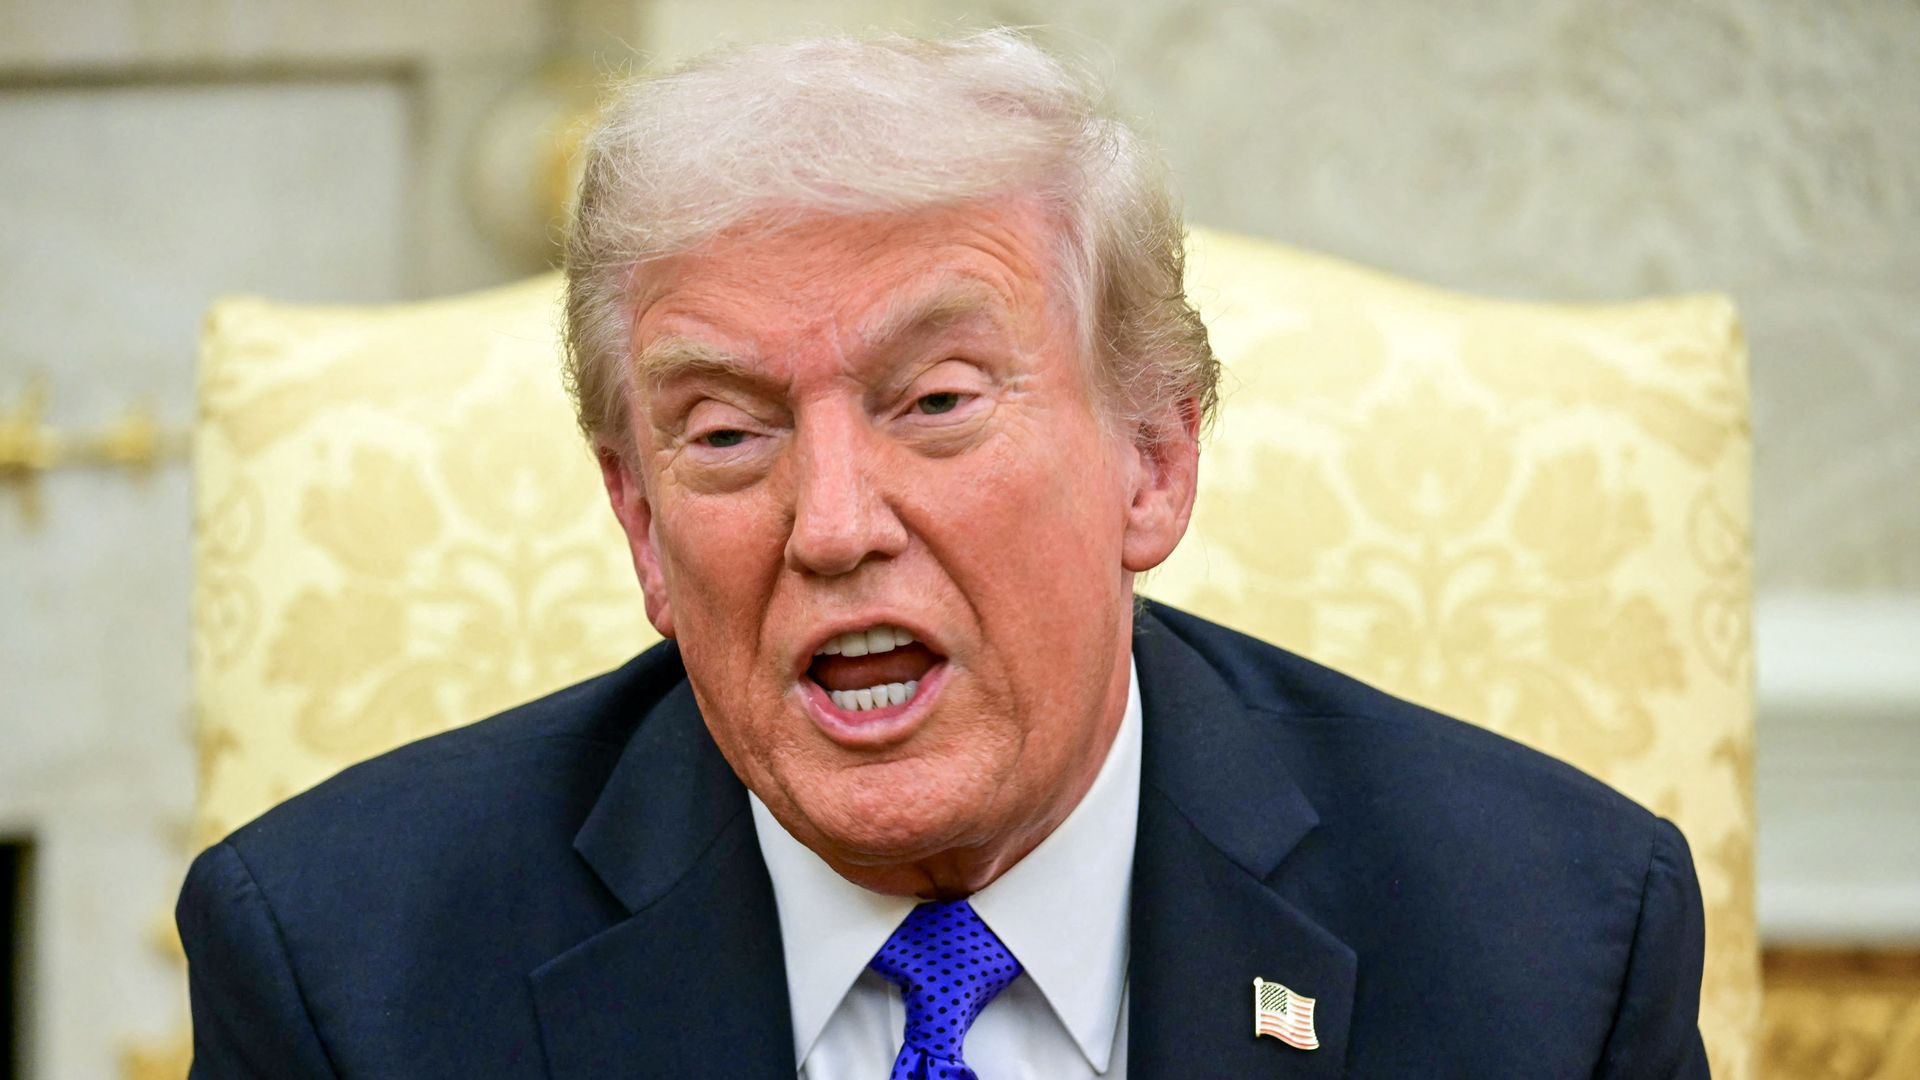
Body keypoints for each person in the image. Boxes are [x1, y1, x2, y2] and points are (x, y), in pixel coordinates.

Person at [176, 30, 1710, 1079]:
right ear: (640, 524)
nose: (836, 524)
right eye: (728, 433)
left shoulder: (1542, 945)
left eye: (935, 403)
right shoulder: (344, 974)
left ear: (1154, 459)